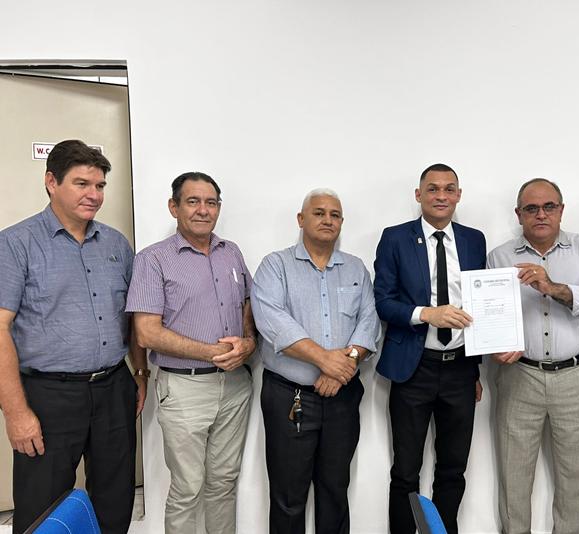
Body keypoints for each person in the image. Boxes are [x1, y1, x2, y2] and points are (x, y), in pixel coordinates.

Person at [0, 139, 147, 534]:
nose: (94, 195)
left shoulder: (115, 244)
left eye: (100, 186)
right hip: (49, 396)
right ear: (51, 182)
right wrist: (16, 413)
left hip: (113, 388)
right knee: (44, 506)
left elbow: (133, 317)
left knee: (115, 499)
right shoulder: (15, 244)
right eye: (82, 184)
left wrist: (140, 373)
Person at [487, 178, 579, 534]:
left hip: (576, 376)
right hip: (519, 376)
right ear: (519, 214)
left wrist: (553, 288)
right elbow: (490, 313)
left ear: (561, 210)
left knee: (574, 478)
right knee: (514, 478)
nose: (541, 214)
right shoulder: (500, 256)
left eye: (549, 207)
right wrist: (494, 345)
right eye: (531, 208)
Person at [126, 172, 255, 534]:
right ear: (174, 207)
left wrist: (248, 342)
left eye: (211, 202)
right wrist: (212, 352)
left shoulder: (231, 252)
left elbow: (247, 304)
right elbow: (146, 332)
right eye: (193, 201)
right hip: (184, 389)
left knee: (224, 483)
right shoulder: (153, 259)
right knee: (187, 489)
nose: (203, 210)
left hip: (235, 386)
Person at [251, 188, 380, 534]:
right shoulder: (275, 266)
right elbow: (272, 321)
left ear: (341, 222)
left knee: (335, 491)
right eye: (319, 213)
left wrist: (343, 366)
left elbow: (369, 322)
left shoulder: (355, 268)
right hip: (289, 398)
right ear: (301, 219)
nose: (327, 220)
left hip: (342, 397)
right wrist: (326, 360)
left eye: (334, 215)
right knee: (288, 497)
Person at [374, 163, 486, 534]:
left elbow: (481, 305)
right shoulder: (395, 238)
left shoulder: (474, 240)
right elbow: (383, 301)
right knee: (406, 470)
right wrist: (427, 314)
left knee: (453, 469)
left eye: (449, 189)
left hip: (460, 369)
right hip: (414, 367)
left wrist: (475, 370)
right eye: (433, 188)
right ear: (418, 194)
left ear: (458, 195)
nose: (441, 196)